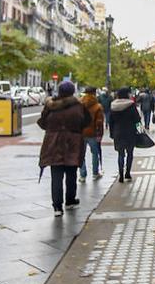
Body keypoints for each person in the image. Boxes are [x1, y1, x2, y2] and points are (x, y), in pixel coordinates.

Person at [38, 80, 90, 217]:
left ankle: (57, 207)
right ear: (72, 91)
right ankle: (70, 200)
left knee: (56, 175)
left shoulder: (50, 106)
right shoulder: (78, 106)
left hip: (53, 143)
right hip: (72, 143)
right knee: (71, 173)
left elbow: (42, 123)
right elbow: (86, 121)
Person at [109, 87, 140, 182]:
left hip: (118, 132)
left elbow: (111, 121)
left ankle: (121, 175)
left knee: (120, 154)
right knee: (130, 153)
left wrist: (112, 133)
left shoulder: (113, 106)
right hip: (130, 132)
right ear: (127, 94)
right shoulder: (131, 105)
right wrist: (140, 130)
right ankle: (127, 173)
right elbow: (137, 119)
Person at [79, 86, 105, 181]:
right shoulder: (97, 106)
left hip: (81, 133)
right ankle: (95, 173)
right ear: (94, 93)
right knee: (95, 153)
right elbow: (99, 122)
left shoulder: (80, 104)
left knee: (81, 154)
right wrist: (100, 134)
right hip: (93, 133)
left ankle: (82, 175)